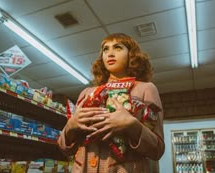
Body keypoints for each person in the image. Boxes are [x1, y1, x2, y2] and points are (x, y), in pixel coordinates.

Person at [57, 33, 165, 173]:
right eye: (105, 49)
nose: (110, 53)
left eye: (118, 48)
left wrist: (133, 126)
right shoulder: (87, 93)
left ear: (131, 55)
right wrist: (70, 126)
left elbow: (157, 150)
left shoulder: (145, 89)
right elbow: (65, 149)